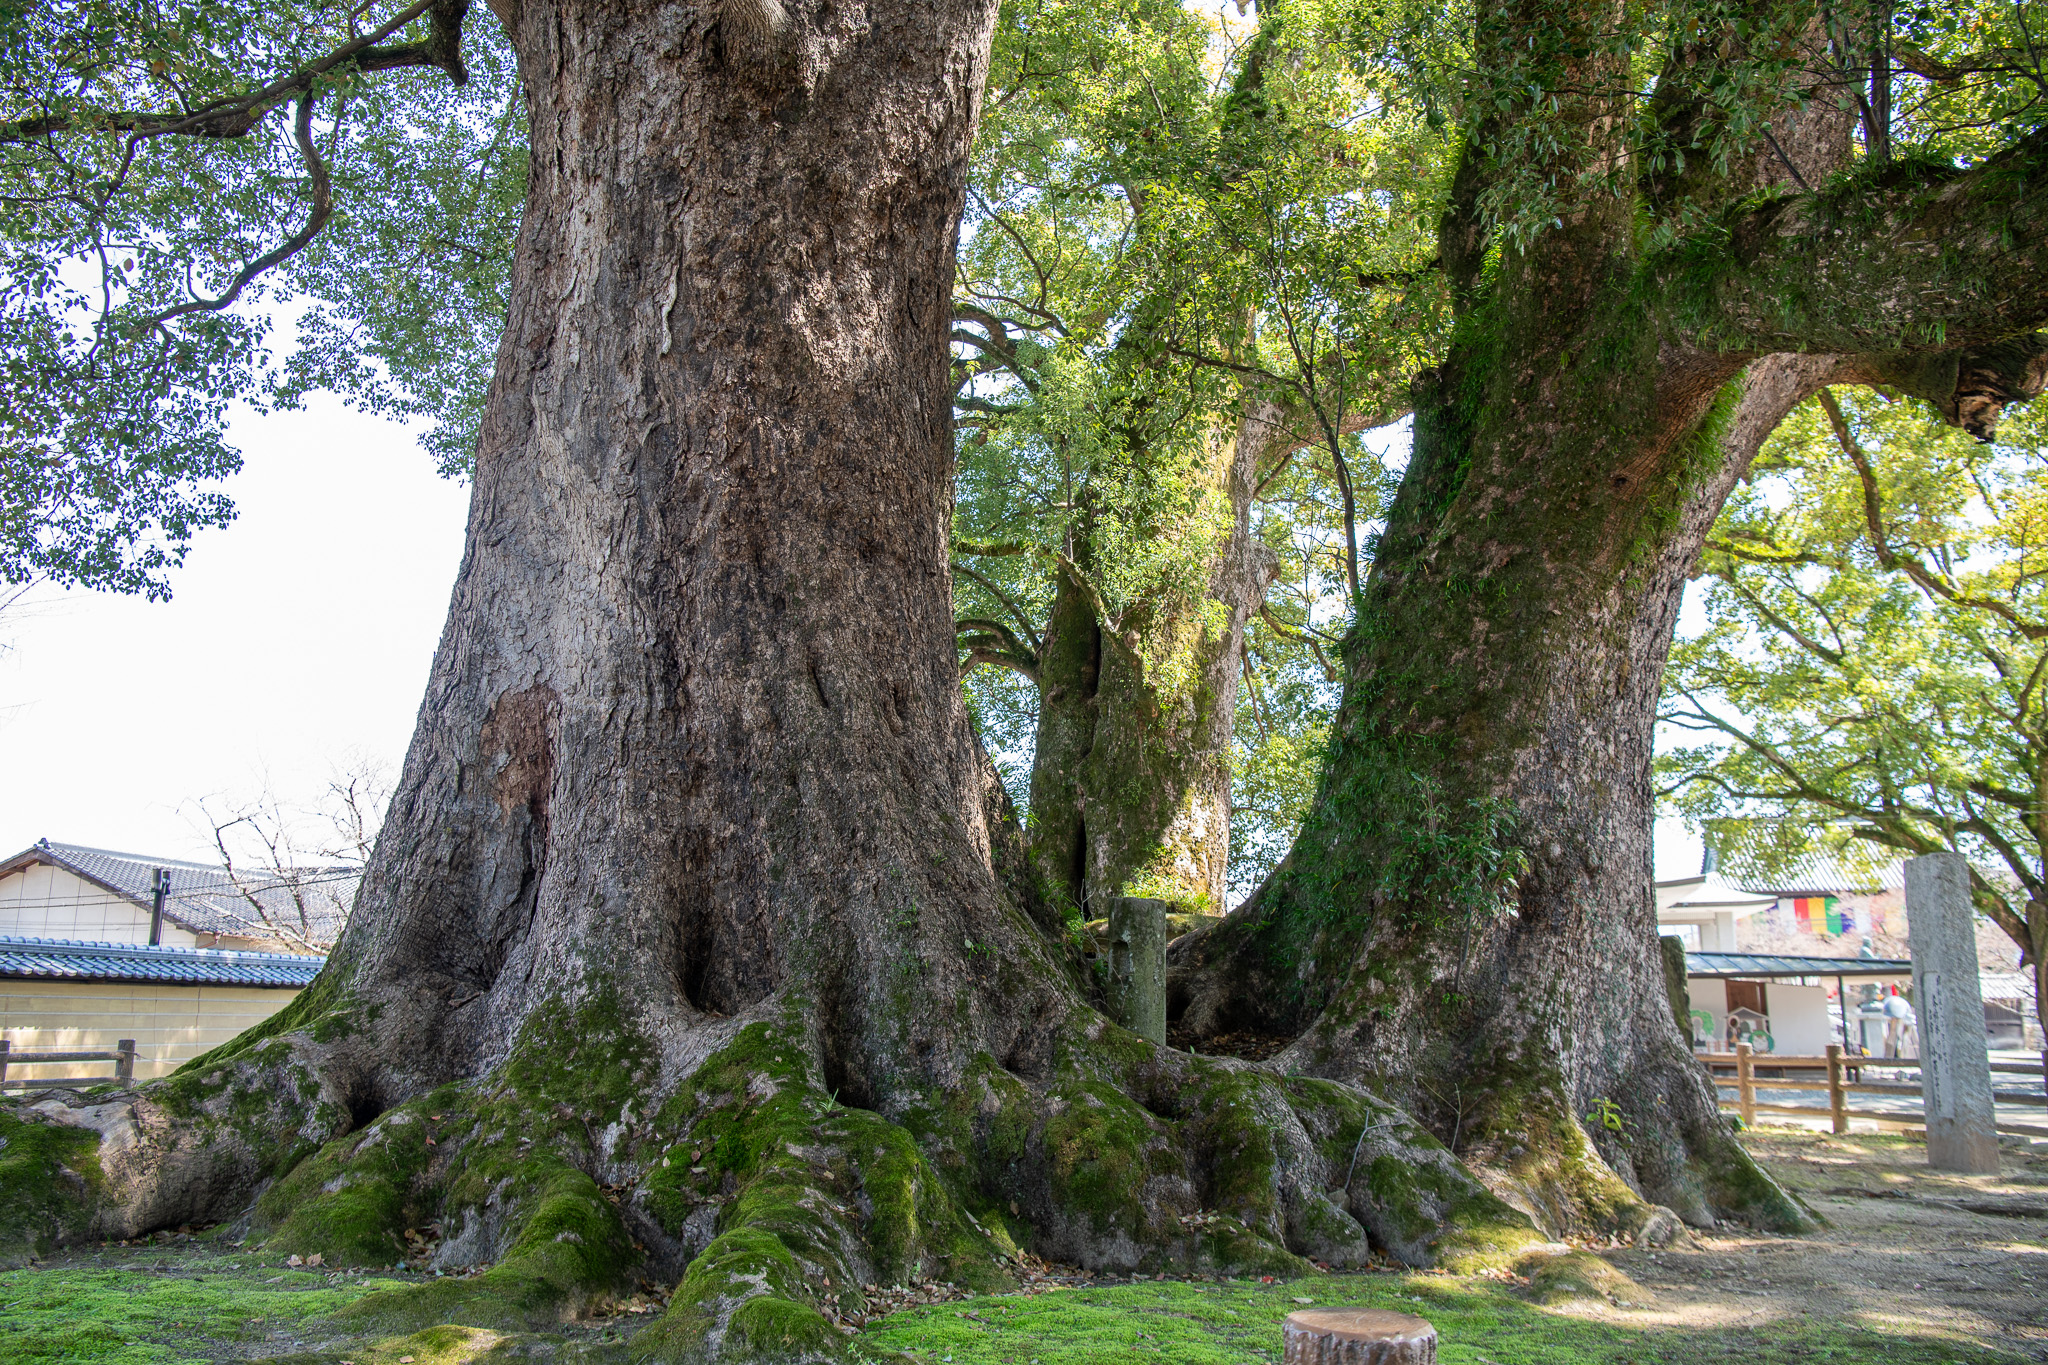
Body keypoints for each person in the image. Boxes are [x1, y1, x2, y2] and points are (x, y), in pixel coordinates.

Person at [1882, 984, 1913, 1058]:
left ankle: (1900, 1056)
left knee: (1900, 1038)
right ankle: (1892, 1056)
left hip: (1901, 1014)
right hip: (1893, 1012)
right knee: (1892, 1037)